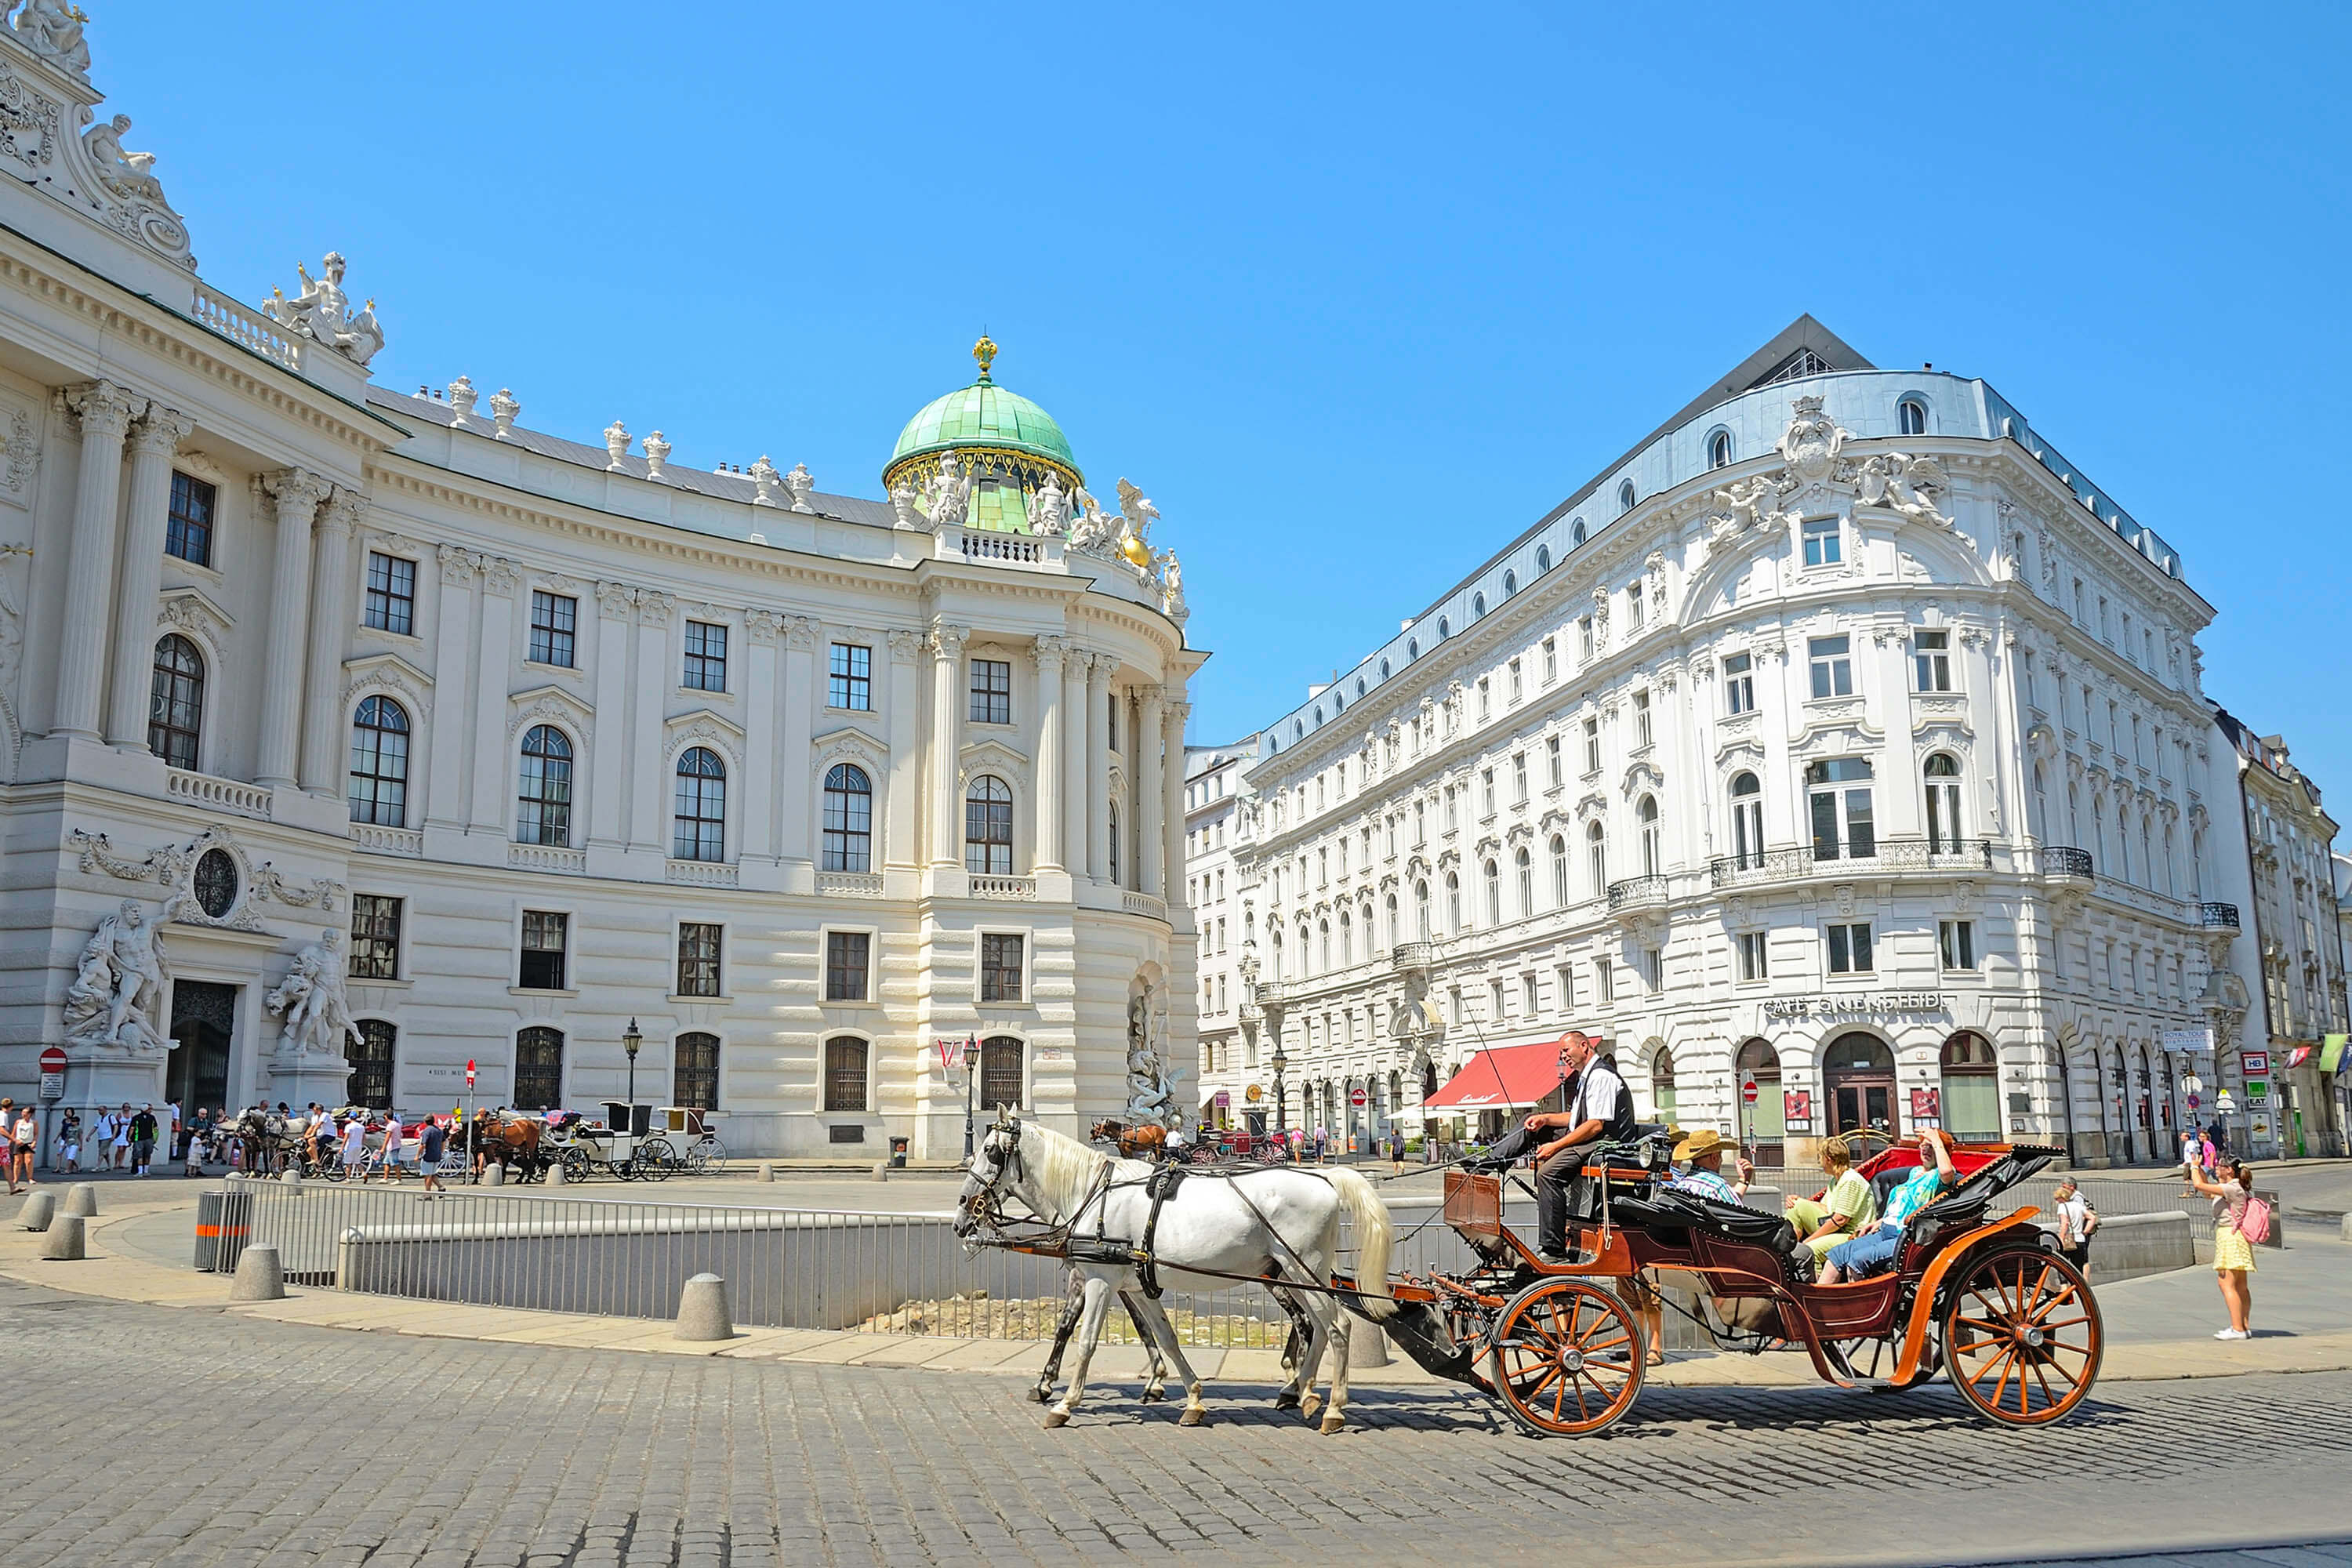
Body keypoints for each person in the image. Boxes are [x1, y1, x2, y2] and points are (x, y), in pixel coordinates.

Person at [1472, 1031, 1635, 1266]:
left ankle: (1553, 1249)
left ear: (1584, 1046)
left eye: (1566, 1050)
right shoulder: (1586, 1076)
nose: (1563, 1056)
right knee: (1532, 1122)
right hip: (1591, 1135)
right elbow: (1577, 1118)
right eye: (1561, 1052)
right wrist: (1545, 1118)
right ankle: (1488, 1164)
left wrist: (1555, 1146)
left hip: (1603, 1143)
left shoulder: (1601, 1076)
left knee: (1548, 1173)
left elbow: (1595, 1125)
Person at [1820, 1131, 1958, 1284]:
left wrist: (1935, 1139)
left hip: (1906, 1237)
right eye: (1923, 1145)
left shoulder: (1937, 1177)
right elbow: (1901, 1205)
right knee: (1836, 1255)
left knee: (1856, 1261)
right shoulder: (1915, 1172)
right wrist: (1881, 1221)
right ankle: (1816, 1304)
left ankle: (1860, 1306)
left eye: (1931, 1146)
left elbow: (1946, 1171)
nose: (1926, 1150)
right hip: (1884, 1231)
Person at [2185, 1157, 2257, 1339]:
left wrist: (2193, 1167)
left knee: (2226, 1283)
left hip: (2230, 1237)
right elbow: (2208, 1192)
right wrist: (2200, 1168)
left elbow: (2199, 1186)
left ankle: (2237, 1329)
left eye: (2220, 1167)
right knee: (2241, 1286)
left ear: (2230, 1170)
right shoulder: (2232, 1187)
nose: (2217, 1169)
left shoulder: (2231, 1188)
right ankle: (2244, 1326)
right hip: (2237, 1236)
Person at [1784, 1137, 1875, 1273]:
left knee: (1810, 1250)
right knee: (1796, 1206)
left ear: (1828, 1159)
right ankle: (1786, 1249)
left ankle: (1816, 1288)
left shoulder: (1851, 1180)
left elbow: (1840, 1219)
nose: (1819, 1162)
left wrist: (1808, 1241)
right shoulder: (1836, 1180)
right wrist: (1800, 1201)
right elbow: (1825, 1208)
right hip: (1840, 1229)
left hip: (1852, 1234)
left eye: (1820, 1157)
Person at [6, 1099, 34, 1193]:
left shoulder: (33, 1123)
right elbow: (13, 1133)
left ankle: (30, 1178)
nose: (23, 1114)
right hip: (19, 1143)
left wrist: (34, 1142)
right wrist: (10, 1142)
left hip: (28, 1143)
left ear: (30, 1114)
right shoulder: (18, 1122)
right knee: (17, 1161)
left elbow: (36, 1134)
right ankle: (15, 1179)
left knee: (29, 1161)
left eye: (25, 1113)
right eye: (22, 1112)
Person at [128, 1103, 159, 1177]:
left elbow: (132, 1128)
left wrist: (129, 1137)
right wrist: (155, 1138)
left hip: (139, 1139)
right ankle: (146, 1171)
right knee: (148, 1155)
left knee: (139, 1156)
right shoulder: (152, 1117)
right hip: (149, 1139)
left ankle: (140, 1172)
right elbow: (155, 1129)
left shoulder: (136, 1118)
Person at [419, 1116, 447, 1194]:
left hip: (428, 1155)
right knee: (433, 1173)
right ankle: (441, 1187)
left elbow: (423, 1144)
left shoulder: (427, 1131)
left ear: (425, 1122)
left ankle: (428, 1194)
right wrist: (441, 1151)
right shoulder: (439, 1130)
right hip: (437, 1155)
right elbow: (444, 1141)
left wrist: (417, 1155)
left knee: (427, 1176)